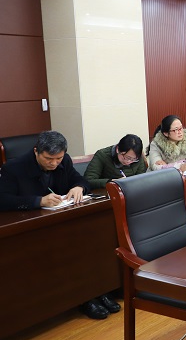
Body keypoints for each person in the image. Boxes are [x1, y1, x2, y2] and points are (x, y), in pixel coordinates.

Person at [0, 132, 118, 320]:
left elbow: (80, 180)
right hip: (33, 229)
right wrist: (38, 201)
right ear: (36, 151)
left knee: (94, 240)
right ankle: (84, 298)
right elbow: (3, 200)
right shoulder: (13, 168)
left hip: (63, 221)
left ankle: (98, 290)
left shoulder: (65, 161)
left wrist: (78, 187)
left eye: (58, 159)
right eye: (49, 159)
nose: (54, 163)